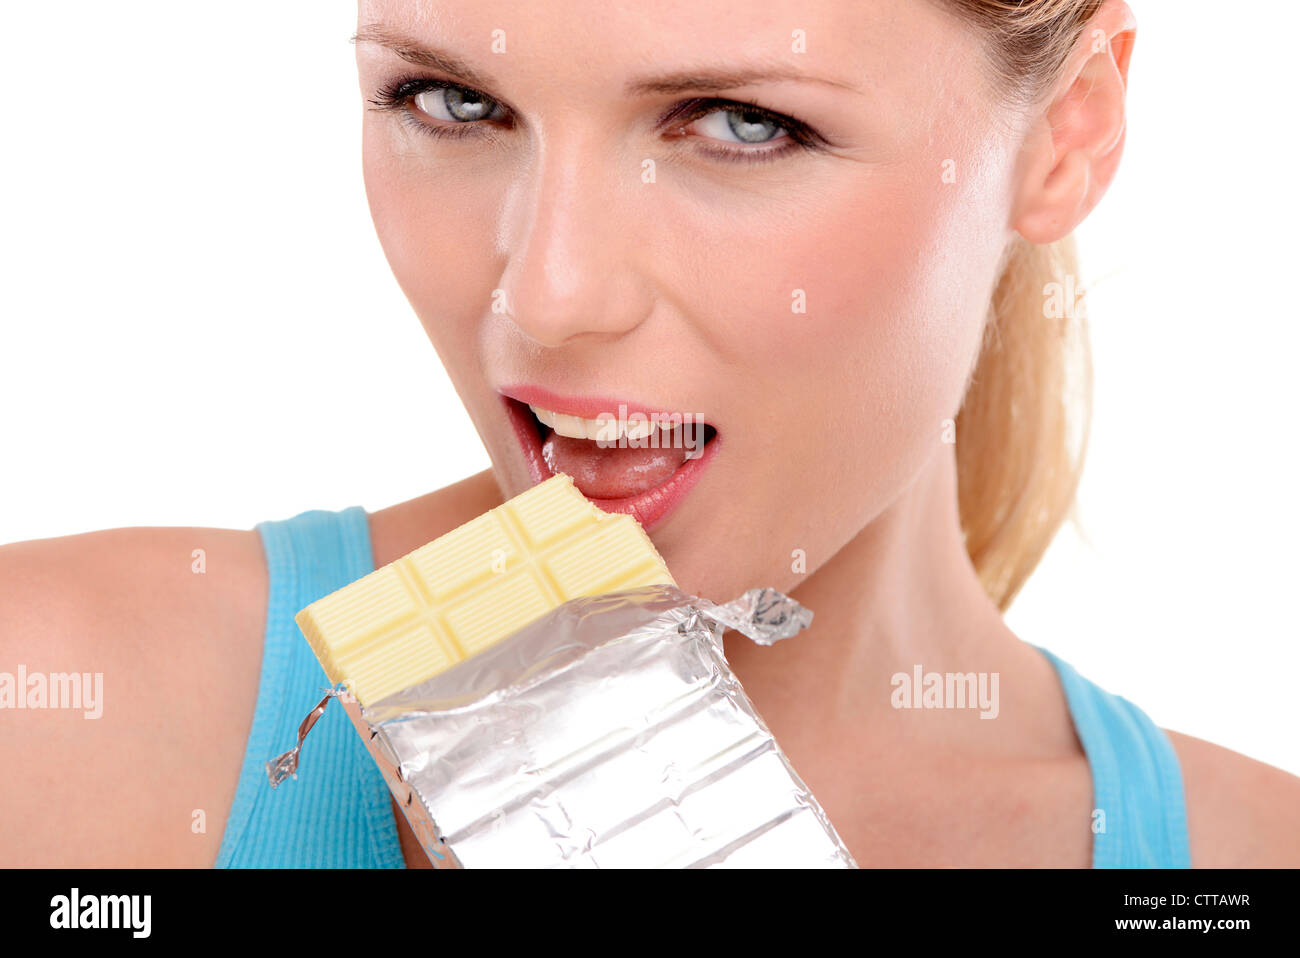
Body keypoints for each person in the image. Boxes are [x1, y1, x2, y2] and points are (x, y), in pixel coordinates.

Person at [3, 0, 1297, 868]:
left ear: (1067, 132)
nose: (546, 297)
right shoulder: (59, 722)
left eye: (744, 123)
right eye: (452, 101)